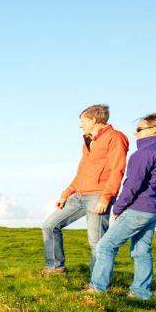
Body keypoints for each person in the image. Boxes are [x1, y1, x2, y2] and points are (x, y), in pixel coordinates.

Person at [86, 113, 156, 299]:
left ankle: (97, 288)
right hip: (155, 208)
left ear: (153, 130)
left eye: (139, 129)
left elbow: (133, 184)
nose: (135, 134)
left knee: (105, 246)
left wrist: (118, 208)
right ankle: (141, 293)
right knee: (141, 250)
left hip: (138, 208)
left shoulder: (144, 153)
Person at [40, 104, 129, 275]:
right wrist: (66, 193)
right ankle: (55, 268)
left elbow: (118, 169)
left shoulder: (115, 138)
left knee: (96, 242)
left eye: (83, 121)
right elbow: (82, 173)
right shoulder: (88, 140)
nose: (80, 125)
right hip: (79, 195)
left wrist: (106, 197)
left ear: (94, 120)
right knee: (49, 226)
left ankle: (97, 282)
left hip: (98, 196)